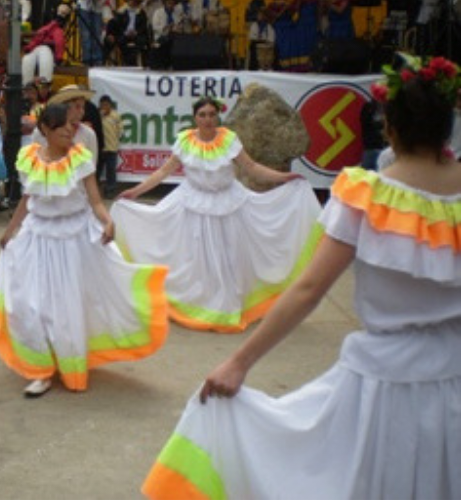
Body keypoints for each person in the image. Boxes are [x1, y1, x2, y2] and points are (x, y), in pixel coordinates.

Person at [142, 55, 461, 500]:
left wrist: (238, 362)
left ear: (389, 128)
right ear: (448, 125)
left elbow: (309, 290)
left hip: (385, 384)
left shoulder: (365, 195)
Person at [0, 103, 168, 397]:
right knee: (31, 305)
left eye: (72, 124)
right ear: (45, 129)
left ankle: (66, 361)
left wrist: (108, 221)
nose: (71, 129)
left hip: (73, 240)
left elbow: (94, 200)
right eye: (64, 125)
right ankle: (40, 370)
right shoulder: (29, 158)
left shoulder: (80, 158)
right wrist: (9, 231)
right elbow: (27, 200)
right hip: (37, 238)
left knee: (67, 307)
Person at [111, 96, 321, 332]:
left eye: (212, 114)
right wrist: (135, 192)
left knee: (228, 257)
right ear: (195, 118)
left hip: (228, 204)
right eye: (202, 115)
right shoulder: (184, 141)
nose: (208, 119)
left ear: (217, 116)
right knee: (195, 258)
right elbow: (162, 172)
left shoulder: (229, 140)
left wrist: (283, 178)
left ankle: (226, 307)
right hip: (192, 204)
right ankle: (200, 305)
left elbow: (251, 168)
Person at [31, 85, 99, 168]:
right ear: (63, 107)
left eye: (83, 107)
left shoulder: (88, 134)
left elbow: (92, 167)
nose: (82, 112)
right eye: (77, 107)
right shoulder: (41, 133)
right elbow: (34, 165)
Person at [22, 4, 70, 85]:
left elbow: (38, 38)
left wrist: (29, 47)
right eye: (60, 12)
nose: (60, 15)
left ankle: (26, 88)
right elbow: (59, 43)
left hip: (38, 49)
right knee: (40, 60)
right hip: (43, 49)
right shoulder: (56, 29)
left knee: (28, 60)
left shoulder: (49, 27)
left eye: (63, 13)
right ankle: (42, 88)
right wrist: (59, 58)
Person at [99, 95, 121, 198]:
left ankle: (110, 191)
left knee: (111, 171)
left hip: (112, 148)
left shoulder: (116, 116)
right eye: (102, 105)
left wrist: (115, 140)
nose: (104, 107)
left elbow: (120, 131)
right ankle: (95, 190)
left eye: (106, 105)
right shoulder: (98, 115)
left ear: (110, 105)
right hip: (100, 149)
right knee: (97, 170)